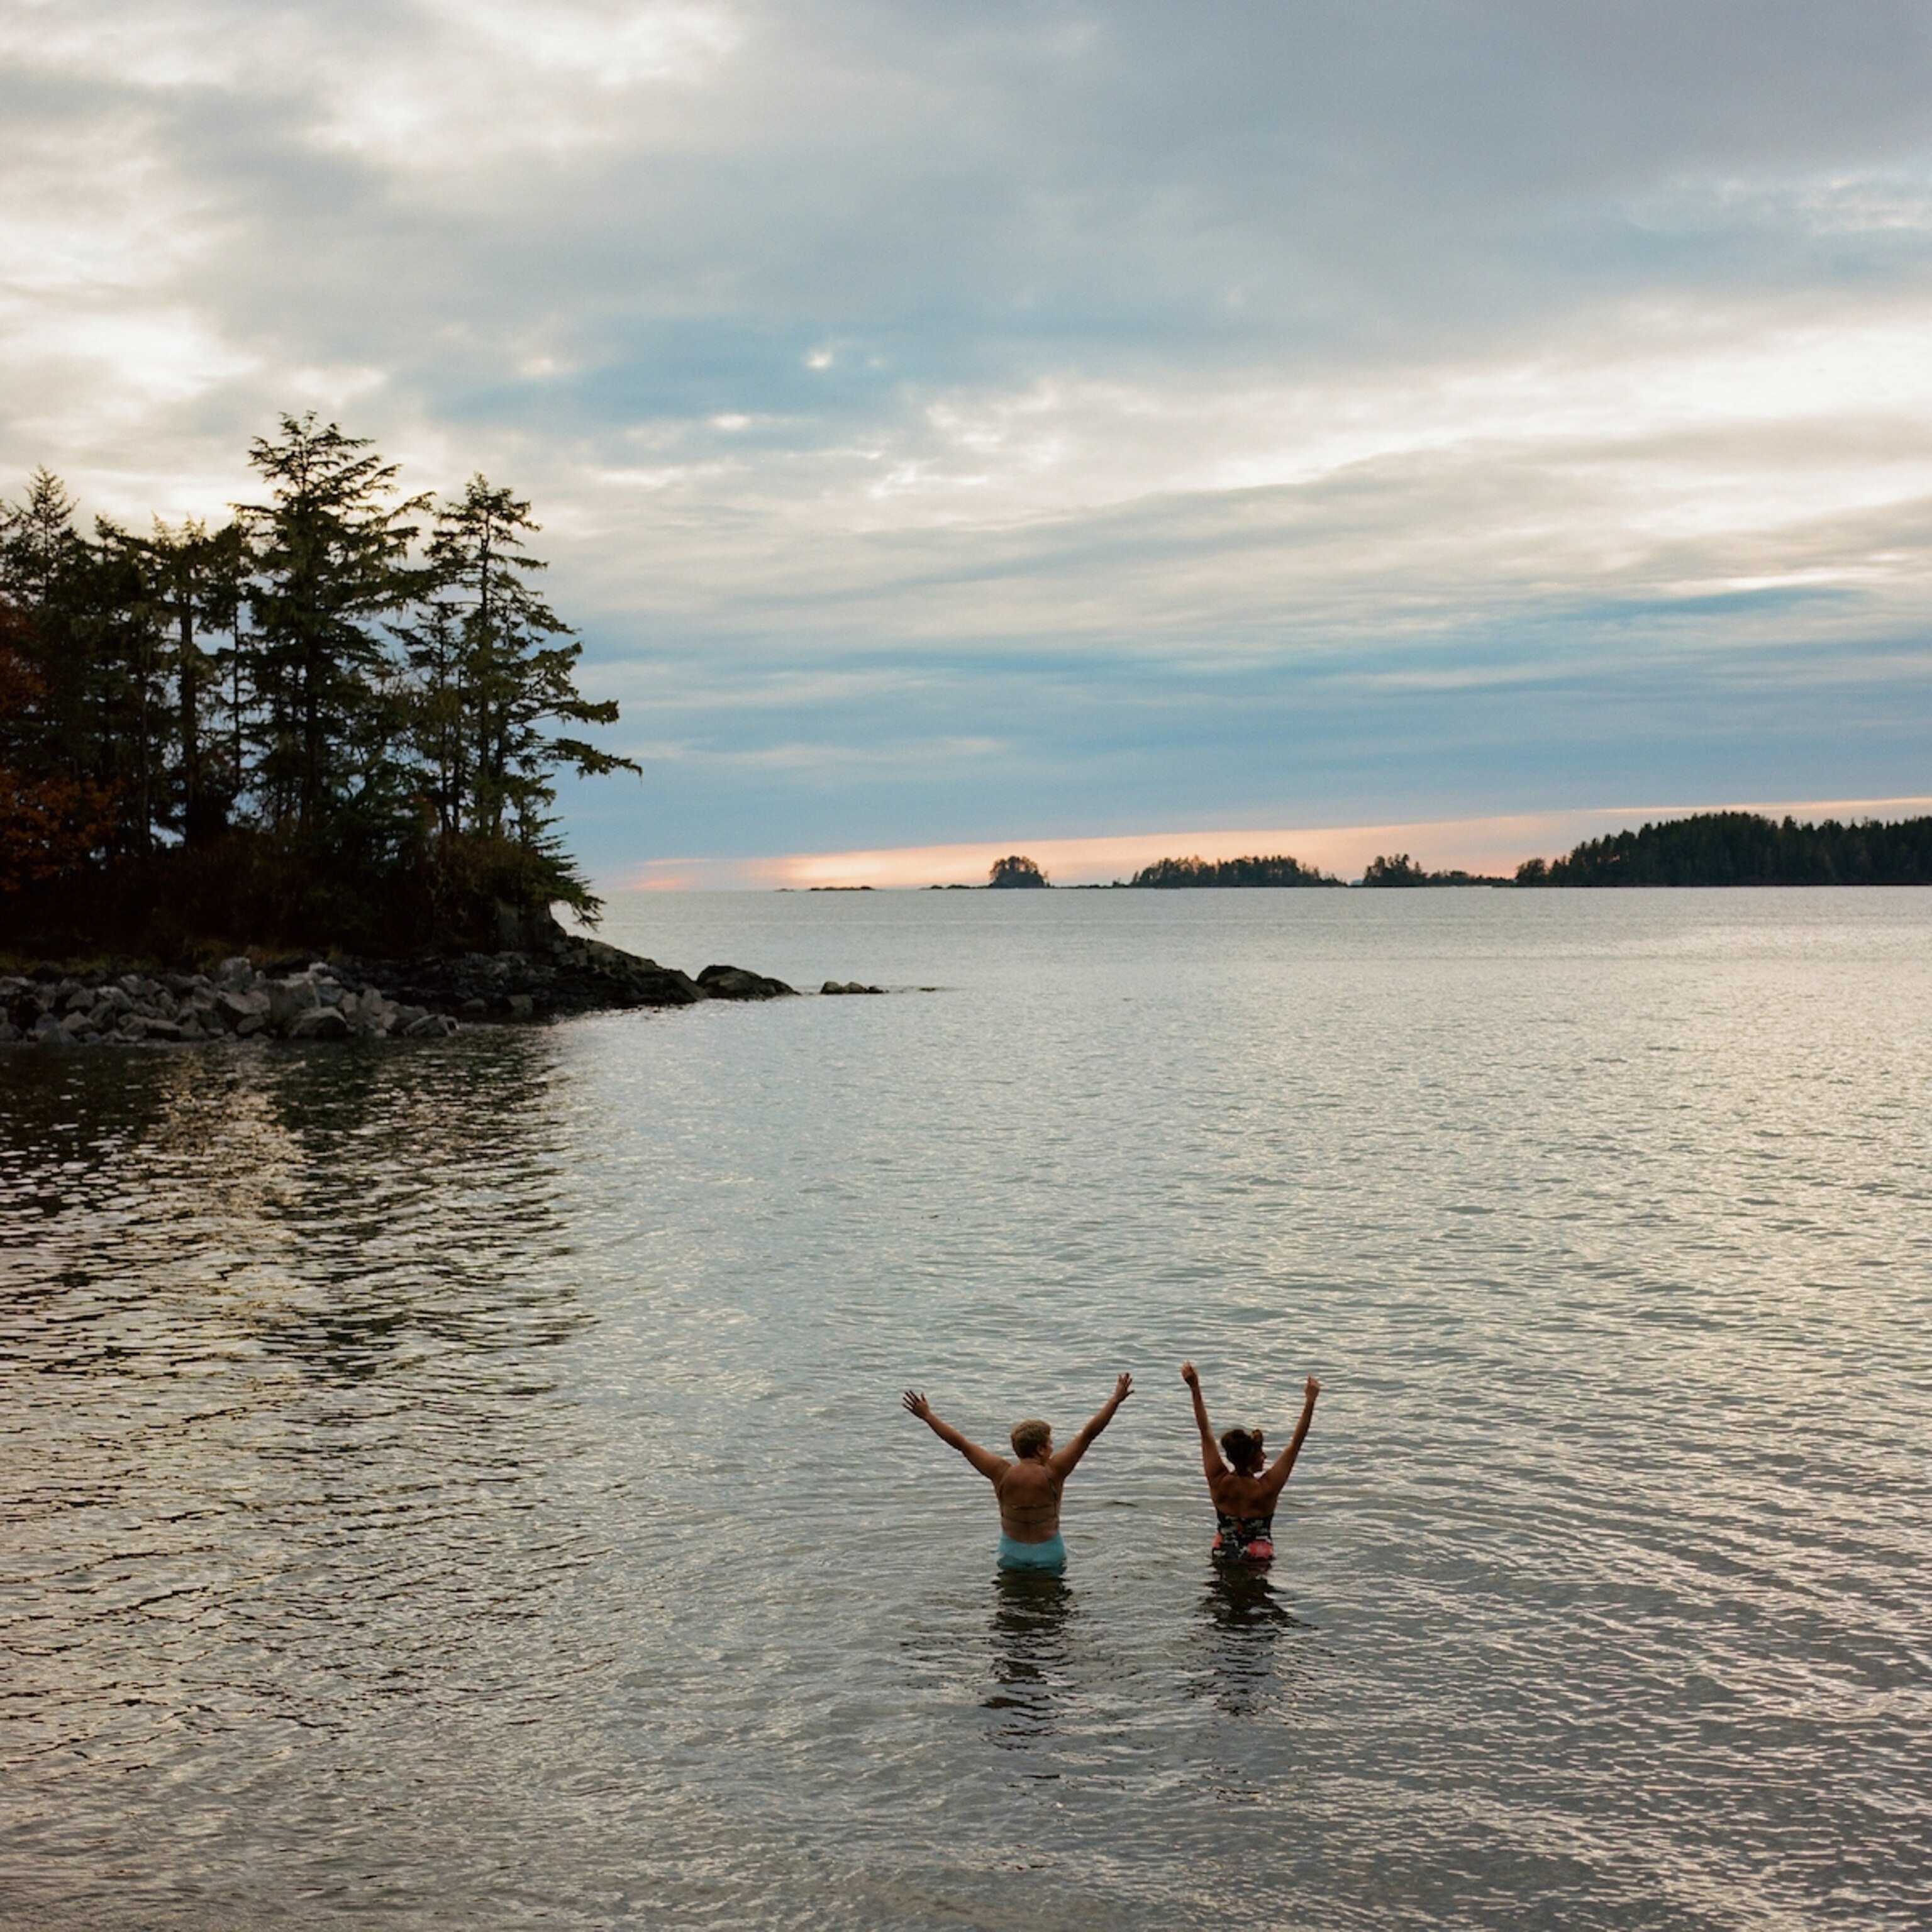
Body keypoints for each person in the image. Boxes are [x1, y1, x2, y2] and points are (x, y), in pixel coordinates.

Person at [901, 1375, 1133, 1574]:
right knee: (1051, 1617)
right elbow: (1088, 1435)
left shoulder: (1000, 1473)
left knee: (1011, 1617)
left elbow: (961, 1444)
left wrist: (929, 1416)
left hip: (1012, 1552)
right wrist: (1115, 1400)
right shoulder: (1054, 1472)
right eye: (1050, 1443)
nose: (1053, 1447)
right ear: (1041, 1449)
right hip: (1049, 1552)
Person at [1180, 1361, 1319, 1565]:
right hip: (1258, 1556)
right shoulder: (1267, 1488)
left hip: (1223, 1554)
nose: (1265, 1457)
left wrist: (1194, 1387)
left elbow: (1205, 1432)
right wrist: (1310, 1402)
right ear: (1253, 1459)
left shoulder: (1218, 1480)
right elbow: (1296, 1444)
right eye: (1261, 1454)